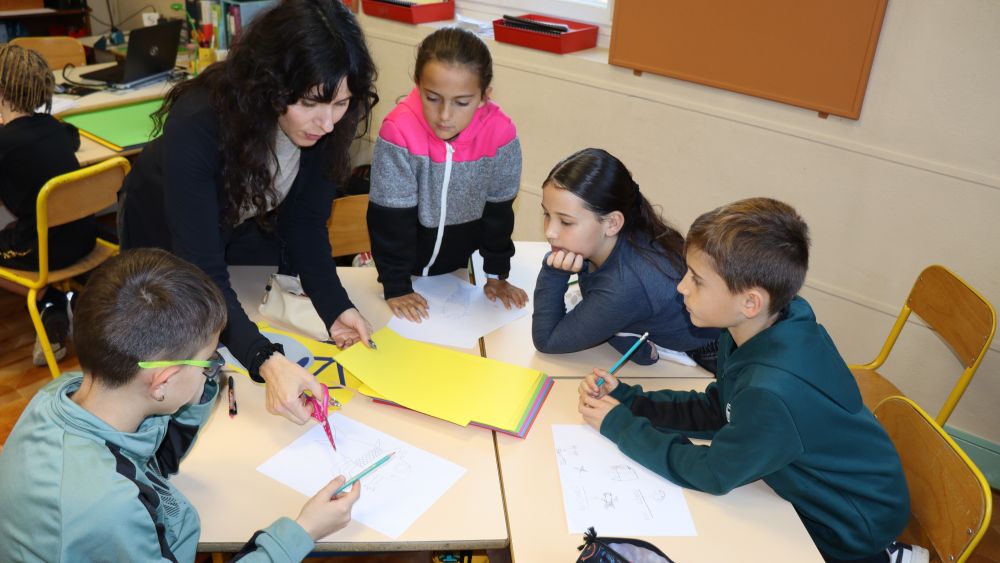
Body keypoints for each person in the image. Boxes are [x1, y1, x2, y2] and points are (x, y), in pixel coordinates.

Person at [578, 198, 914, 563]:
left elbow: (713, 473)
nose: (681, 288)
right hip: (814, 487)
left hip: (844, 528)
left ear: (750, 302)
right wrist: (630, 400)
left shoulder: (772, 391)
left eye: (697, 280)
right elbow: (719, 407)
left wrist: (621, 427)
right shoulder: (756, 327)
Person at [0, 248, 361, 561]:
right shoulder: (110, 508)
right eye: (210, 361)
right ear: (163, 381)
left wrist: (200, 385)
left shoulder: (63, 393)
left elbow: (150, 456)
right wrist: (302, 532)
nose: (214, 371)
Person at [118, 0, 379, 425]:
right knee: (165, 361)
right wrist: (265, 361)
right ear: (272, 84)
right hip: (161, 233)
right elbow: (201, 268)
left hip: (232, 224)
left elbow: (305, 225)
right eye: (313, 103)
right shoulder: (199, 123)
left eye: (342, 103)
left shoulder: (324, 123)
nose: (328, 122)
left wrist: (335, 308)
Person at [368, 26, 527, 323]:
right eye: (432, 98)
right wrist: (396, 285)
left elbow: (498, 213)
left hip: (454, 275)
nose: (444, 115)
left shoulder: (501, 134)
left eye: (462, 102)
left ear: (484, 96)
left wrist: (495, 274)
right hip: (403, 275)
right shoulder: (398, 131)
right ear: (417, 84)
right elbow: (390, 221)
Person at [532, 148, 719, 370]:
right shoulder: (616, 238)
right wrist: (618, 333)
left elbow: (547, 340)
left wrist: (553, 273)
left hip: (711, 352)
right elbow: (595, 295)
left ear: (612, 223)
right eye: (547, 215)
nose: (550, 232)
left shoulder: (625, 283)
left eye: (566, 222)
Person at [0, 43, 90, 366]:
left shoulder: (5, 142)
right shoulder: (54, 128)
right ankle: (56, 301)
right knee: (14, 228)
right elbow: (72, 138)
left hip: (47, 252)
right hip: (84, 240)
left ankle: (41, 296)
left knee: (15, 234)